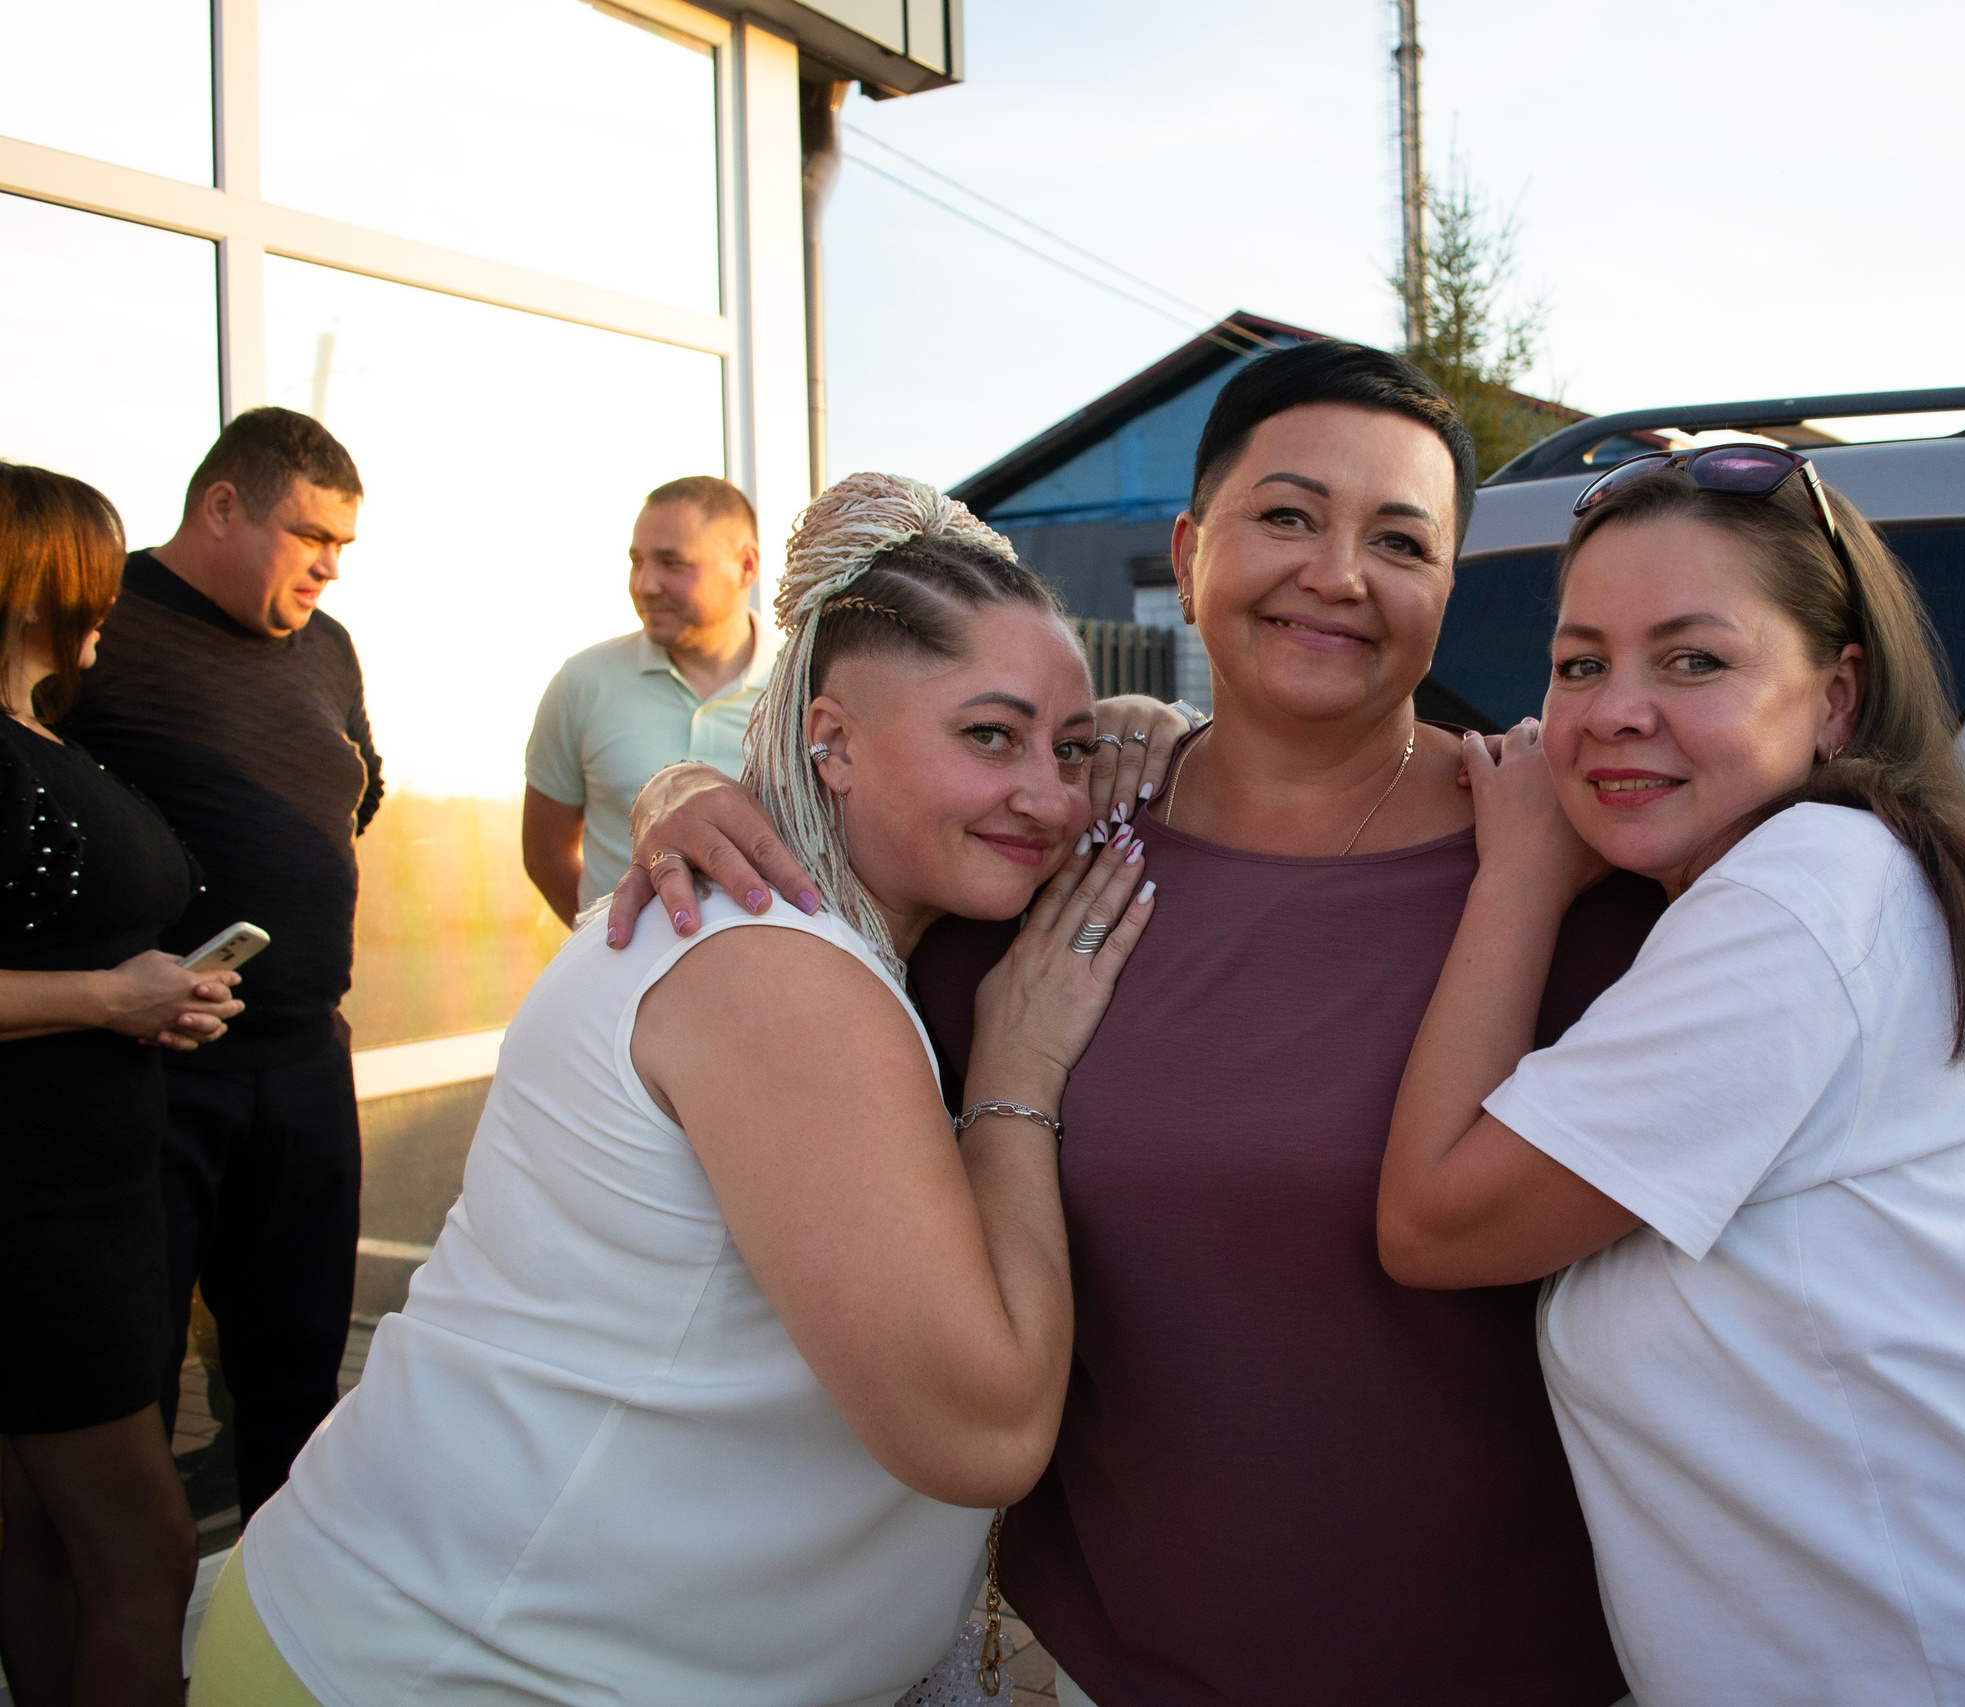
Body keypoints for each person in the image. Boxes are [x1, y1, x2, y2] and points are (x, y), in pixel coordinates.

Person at [610, 342, 1658, 1707]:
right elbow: (830, 827)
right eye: (1286, 514)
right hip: (1109, 1655)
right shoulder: (1051, 840)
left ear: (1450, 585)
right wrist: (681, 791)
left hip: (1518, 1661)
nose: (1337, 571)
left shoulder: (1566, 857)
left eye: (1400, 539)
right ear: (1189, 542)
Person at [185, 474, 1157, 1707]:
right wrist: (1019, 1073)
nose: (1053, 794)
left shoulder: (783, 924)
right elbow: (985, 1432)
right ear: (832, 741)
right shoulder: (771, 967)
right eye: (989, 735)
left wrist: (1164, 741)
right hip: (441, 1667)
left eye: (1070, 748)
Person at [1376, 447, 1965, 1706]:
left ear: (1836, 699)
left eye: (1694, 659)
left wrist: (1519, 878)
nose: (1615, 708)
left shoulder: (1811, 892)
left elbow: (1433, 1221)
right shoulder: (1858, 878)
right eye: (1581, 662)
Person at [57, 407, 381, 1523]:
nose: (330, 568)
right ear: (222, 506)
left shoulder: (329, 647)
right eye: (310, 537)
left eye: (345, 545)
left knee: (293, 1367)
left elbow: (357, 787)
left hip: (300, 1058)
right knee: (131, 1376)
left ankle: (277, 1616)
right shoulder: (108, 626)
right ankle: (133, 1608)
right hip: (154, 1063)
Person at [1, 463, 244, 1707]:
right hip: (32, 1213)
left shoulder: (48, 736)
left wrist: (154, 1004)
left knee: (43, 1545)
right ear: (40, 576)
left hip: (89, 1192)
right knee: (145, 1552)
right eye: (96, 571)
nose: (115, 598)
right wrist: (107, 1001)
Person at [522, 475, 775, 924]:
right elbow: (545, 853)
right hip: (619, 988)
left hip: (779, 981)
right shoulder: (582, 683)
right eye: (636, 561)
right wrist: (605, 944)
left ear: (746, 566)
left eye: (671, 563)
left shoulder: (806, 688)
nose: (645, 584)